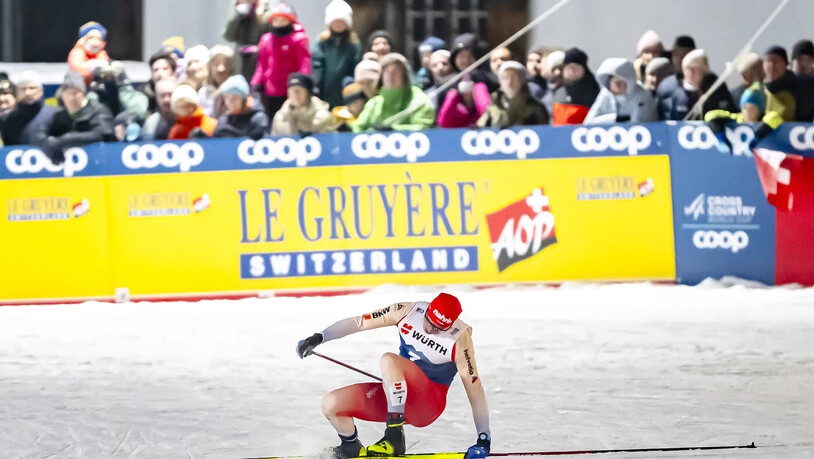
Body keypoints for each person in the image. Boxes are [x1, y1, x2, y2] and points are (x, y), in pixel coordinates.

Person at [295, 293, 491, 459]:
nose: (430, 330)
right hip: (397, 397)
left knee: (389, 359)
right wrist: (320, 337)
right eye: (429, 322)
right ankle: (350, 446)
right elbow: (360, 322)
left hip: (428, 405)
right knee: (331, 404)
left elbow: (475, 389)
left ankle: (394, 435)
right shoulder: (407, 311)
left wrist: (484, 439)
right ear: (428, 310)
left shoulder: (460, 339)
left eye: (439, 329)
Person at [252, 3, 311, 121]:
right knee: (271, 121)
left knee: (290, 121)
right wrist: (256, 83)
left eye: (282, 20)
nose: (278, 23)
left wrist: (303, 83)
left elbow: (304, 64)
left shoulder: (299, 39)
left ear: (290, 21)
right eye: (275, 20)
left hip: (290, 91)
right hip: (269, 91)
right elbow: (261, 65)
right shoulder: (266, 39)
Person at [39, 72, 114, 164]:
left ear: (83, 93)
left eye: (75, 93)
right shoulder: (59, 116)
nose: (71, 97)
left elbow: (103, 134)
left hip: (100, 160)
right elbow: (47, 135)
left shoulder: (98, 110)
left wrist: (66, 139)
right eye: (68, 93)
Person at [352, 53, 435, 132]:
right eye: (386, 72)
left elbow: (424, 128)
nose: (391, 76)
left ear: (405, 76)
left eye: (396, 71)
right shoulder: (374, 104)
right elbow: (357, 129)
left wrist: (393, 130)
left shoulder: (419, 101)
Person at [312, 0, 363, 108]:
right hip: (325, 91)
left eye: (342, 21)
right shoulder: (322, 43)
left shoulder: (354, 45)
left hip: (346, 92)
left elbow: (356, 66)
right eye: (335, 21)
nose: (338, 24)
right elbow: (317, 65)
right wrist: (316, 84)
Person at [665, 49, 736, 120]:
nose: (692, 73)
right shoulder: (675, 89)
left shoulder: (717, 87)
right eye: (689, 69)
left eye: (696, 69)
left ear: (704, 70)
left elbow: (731, 111)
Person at [585, 58, 658, 124]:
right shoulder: (605, 94)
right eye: (614, 83)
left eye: (621, 83)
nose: (617, 87)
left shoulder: (643, 95)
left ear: (630, 82)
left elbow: (639, 123)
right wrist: (616, 118)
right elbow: (588, 122)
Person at [478, 60, 549, 128]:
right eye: (505, 78)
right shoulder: (493, 105)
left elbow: (544, 131)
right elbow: (480, 129)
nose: (509, 82)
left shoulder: (535, 107)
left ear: (522, 81)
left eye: (514, 77)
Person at [0, 71, 56, 146]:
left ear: (41, 90)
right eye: (23, 89)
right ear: (17, 92)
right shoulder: (7, 120)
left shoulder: (56, 115)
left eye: (32, 88)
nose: (27, 93)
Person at [551, 47, 600, 125]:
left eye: (575, 68)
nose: (572, 71)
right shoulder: (559, 91)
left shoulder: (595, 90)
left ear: (584, 69)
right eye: (569, 67)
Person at [212, 75, 269, 140]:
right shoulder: (223, 120)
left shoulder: (258, 119)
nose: (230, 101)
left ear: (243, 100)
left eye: (235, 98)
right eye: (227, 97)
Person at [222, 0, 267, 81]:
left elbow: (266, 34)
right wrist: (238, 16)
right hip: (240, 60)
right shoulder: (237, 10)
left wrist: (258, 16)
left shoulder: (264, 10)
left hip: (258, 60)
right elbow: (228, 36)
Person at [199, 45, 236, 118]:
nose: (221, 69)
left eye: (226, 64)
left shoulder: (238, 92)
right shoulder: (203, 93)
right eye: (216, 64)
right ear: (210, 67)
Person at [763, 46, 797, 121]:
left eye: (776, 61)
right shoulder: (760, 90)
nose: (772, 65)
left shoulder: (796, 88)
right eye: (768, 60)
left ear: (785, 64)